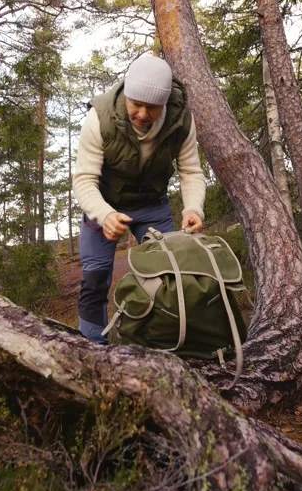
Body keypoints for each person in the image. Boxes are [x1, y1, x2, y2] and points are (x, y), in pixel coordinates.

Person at [72, 54, 206, 344]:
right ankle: (92, 349)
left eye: (153, 107)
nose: (143, 114)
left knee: (170, 277)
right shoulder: (100, 118)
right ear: (127, 95)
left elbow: (191, 171)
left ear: (166, 103)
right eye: (136, 104)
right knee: (94, 279)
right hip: (104, 205)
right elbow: (84, 180)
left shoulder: (181, 120)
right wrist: (105, 215)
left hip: (152, 205)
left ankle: (164, 344)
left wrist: (193, 208)